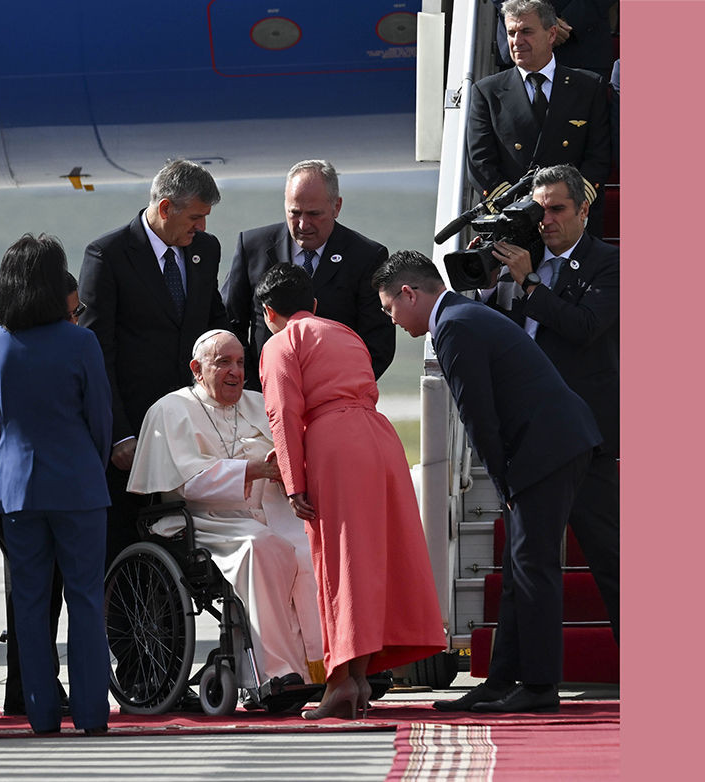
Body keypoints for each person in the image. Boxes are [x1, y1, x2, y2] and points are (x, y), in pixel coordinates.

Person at [374, 251, 605, 714]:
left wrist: (503, 485)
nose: (392, 320)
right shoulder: (463, 315)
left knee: (534, 569)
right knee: (520, 570)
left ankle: (539, 688)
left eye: (389, 308)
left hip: (548, 449)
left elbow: (478, 418)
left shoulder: (455, 325)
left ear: (409, 293)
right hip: (553, 443)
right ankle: (500, 681)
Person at [256, 263, 446, 720]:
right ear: (315, 304)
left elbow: (283, 412)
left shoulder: (282, 342)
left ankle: (343, 681)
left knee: (339, 563)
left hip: (335, 443)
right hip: (379, 438)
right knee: (373, 558)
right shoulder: (344, 333)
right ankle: (355, 677)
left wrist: (292, 480)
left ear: (268, 312)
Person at [128, 330, 325, 686]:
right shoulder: (172, 409)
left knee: (313, 551)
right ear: (197, 368)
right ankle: (276, 673)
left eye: (239, 363)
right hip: (203, 519)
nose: (235, 371)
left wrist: (288, 471)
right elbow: (187, 484)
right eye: (223, 362)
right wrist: (253, 469)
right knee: (262, 549)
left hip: (269, 512)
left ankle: (326, 667)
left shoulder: (257, 403)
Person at [477, 165, 620, 641]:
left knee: (612, 558)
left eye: (558, 208)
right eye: (540, 210)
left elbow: (583, 327)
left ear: (584, 209)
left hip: (587, 436)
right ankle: (520, 677)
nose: (547, 220)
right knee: (526, 561)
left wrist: (532, 284)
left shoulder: (608, 262)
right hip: (531, 437)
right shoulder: (520, 258)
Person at [0, 234, 114, 734]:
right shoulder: (81, 341)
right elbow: (99, 418)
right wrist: (89, 466)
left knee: (30, 606)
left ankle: (40, 714)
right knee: (84, 600)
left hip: (15, 488)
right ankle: (92, 714)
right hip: (77, 484)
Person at [80, 158, 230, 568]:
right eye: (195, 217)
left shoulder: (205, 249)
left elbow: (212, 322)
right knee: (128, 551)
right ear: (166, 209)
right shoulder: (108, 255)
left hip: (190, 429)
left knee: (181, 549)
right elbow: (97, 353)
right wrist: (119, 434)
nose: (200, 227)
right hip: (134, 436)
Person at [221, 160, 393, 391]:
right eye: (295, 213)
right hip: (262, 396)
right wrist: (253, 386)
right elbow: (230, 324)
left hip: (334, 400)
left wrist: (337, 391)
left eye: (314, 214)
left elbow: (377, 342)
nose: (303, 224)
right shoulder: (252, 247)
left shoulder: (366, 257)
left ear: (337, 207)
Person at [466, 0, 613, 226]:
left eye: (526, 31)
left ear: (551, 34)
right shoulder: (487, 92)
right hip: (515, 220)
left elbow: (599, 155)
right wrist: (518, 207)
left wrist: (567, 205)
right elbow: (480, 162)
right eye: (511, 32)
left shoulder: (589, 87)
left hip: (573, 221)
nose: (517, 41)